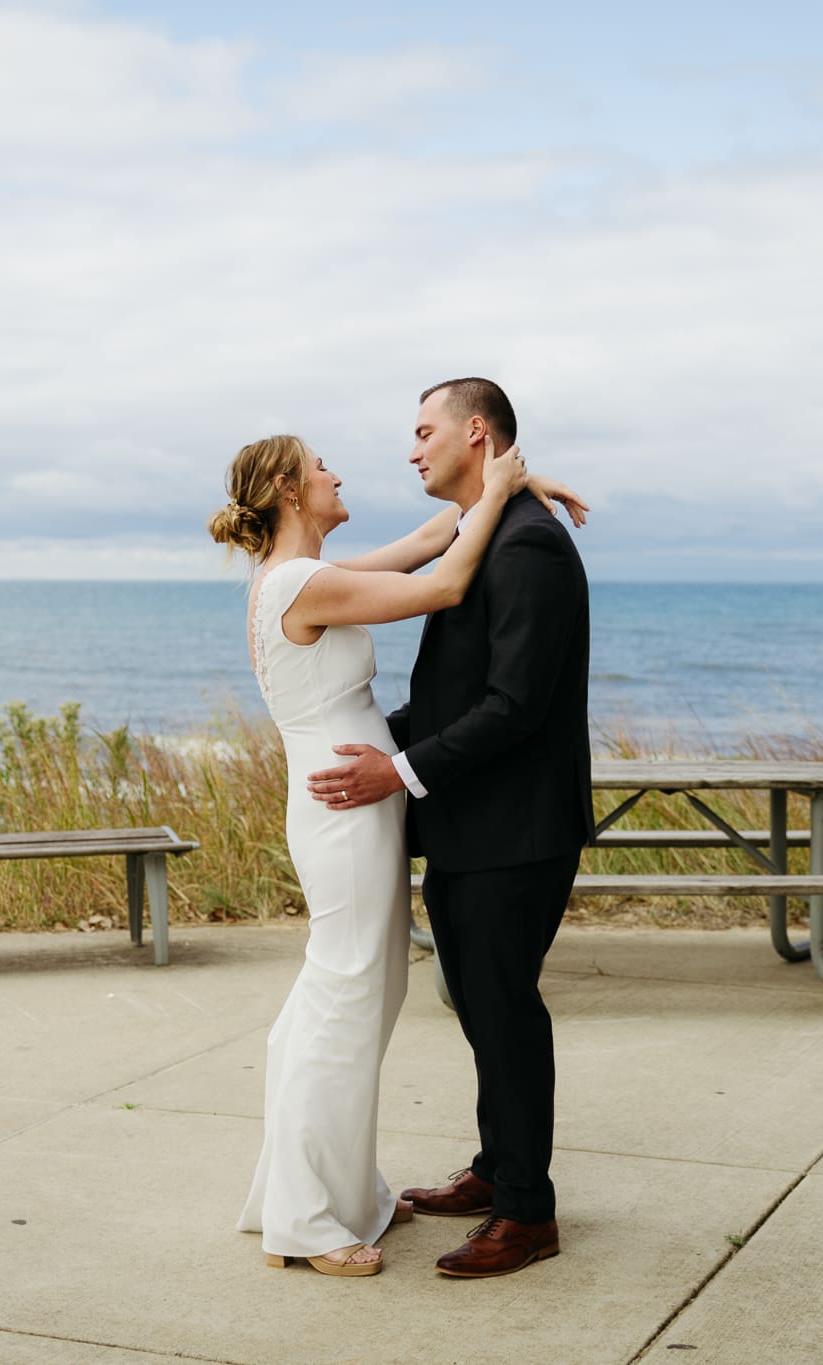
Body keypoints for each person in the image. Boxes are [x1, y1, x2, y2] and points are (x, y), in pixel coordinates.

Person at [208, 430, 585, 1278]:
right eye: (321, 468)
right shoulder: (303, 582)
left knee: (360, 995)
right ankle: (305, 1220)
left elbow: (428, 541)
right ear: (289, 491)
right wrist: (503, 491)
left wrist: (511, 481)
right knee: (345, 998)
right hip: (348, 806)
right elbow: (445, 582)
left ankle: (328, 1191)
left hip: (361, 801)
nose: (339, 474)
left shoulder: (304, 574)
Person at [305, 378, 592, 1279]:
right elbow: (449, 694)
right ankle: (496, 1167)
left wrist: (396, 770)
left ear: (477, 433)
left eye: (424, 430)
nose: (412, 448)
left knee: (504, 1009)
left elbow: (513, 705)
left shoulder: (529, 547)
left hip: (518, 831)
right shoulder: (487, 533)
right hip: (472, 824)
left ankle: (528, 1212)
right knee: (478, 1004)